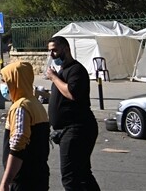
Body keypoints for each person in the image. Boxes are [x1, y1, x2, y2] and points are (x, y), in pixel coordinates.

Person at [45, 36, 101, 191]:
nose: (52, 55)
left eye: (55, 50)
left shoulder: (76, 70)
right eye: (50, 51)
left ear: (66, 48)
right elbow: (61, 95)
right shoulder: (62, 71)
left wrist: (54, 78)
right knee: (82, 174)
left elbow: (71, 93)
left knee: (70, 178)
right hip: (67, 129)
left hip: (77, 128)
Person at [0, 61, 50, 191]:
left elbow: (18, 146)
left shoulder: (20, 107)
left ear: (15, 81)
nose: (3, 85)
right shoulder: (35, 103)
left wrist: (5, 182)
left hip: (24, 180)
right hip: (39, 175)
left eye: (5, 81)